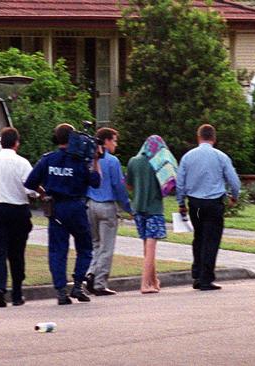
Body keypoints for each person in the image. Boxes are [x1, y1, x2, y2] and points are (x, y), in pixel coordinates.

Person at [24, 123, 101, 305]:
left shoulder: (48, 159)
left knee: (58, 251)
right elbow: (96, 182)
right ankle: (77, 284)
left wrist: (44, 193)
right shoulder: (81, 162)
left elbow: (30, 182)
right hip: (76, 207)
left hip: (56, 208)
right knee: (85, 247)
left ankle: (60, 291)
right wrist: (95, 160)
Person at [176, 124, 240, 291]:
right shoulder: (221, 157)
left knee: (199, 237)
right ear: (214, 138)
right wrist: (234, 195)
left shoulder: (188, 157)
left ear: (198, 137)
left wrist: (181, 202)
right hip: (213, 203)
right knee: (211, 239)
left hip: (195, 203)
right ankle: (206, 278)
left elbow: (180, 182)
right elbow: (233, 180)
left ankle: (197, 274)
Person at [0, 127, 35, 307]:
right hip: (18, 209)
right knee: (17, 253)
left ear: (0, 142)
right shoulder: (23, 163)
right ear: (16, 143)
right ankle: (17, 293)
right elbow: (30, 189)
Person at [126, 135, 178, 294]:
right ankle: (144, 284)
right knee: (151, 247)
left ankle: (154, 281)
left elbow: (128, 185)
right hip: (154, 208)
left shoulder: (133, 161)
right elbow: (168, 185)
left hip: (138, 208)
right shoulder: (159, 163)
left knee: (146, 248)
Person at [85, 128, 133, 296]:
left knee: (95, 243)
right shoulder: (112, 161)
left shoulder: (89, 159)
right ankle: (99, 283)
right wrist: (128, 207)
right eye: (113, 140)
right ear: (105, 142)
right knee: (107, 246)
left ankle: (90, 273)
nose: (115, 144)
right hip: (106, 205)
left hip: (90, 203)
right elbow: (119, 187)